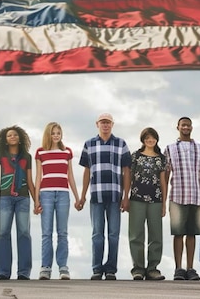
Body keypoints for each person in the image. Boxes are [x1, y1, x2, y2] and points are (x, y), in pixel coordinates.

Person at [79, 113, 131, 281]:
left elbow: (127, 171)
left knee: (114, 234)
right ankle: (96, 269)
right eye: (103, 122)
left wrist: (126, 197)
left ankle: (111, 270)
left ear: (112, 124)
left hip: (116, 195)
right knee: (97, 234)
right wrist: (82, 196)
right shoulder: (89, 144)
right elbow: (86, 171)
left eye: (108, 122)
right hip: (96, 195)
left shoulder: (121, 143)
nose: (105, 125)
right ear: (97, 124)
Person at [165, 116, 200, 281]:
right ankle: (178, 269)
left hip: (196, 196)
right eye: (183, 125)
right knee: (178, 234)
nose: (186, 127)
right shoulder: (169, 148)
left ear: (191, 128)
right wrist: (164, 199)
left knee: (192, 234)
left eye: (188, 125)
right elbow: (166, 172)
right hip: (177, 195)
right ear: (178, 127)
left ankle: (190, 269)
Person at [35, 122, 81, 280]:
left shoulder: (66, 151)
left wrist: (77, 197)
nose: (56, 135)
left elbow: (70, 176)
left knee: (62, 232)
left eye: (58, 132)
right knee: (46, 233)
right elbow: (38, 176)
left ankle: (63, 267)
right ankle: (45, 268)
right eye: (53, 133)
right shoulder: (40, 152)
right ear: (48, 134)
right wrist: (36, 200)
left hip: (63, 194)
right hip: (46, 194)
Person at [0, 125, 35, 280]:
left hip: (23, 198)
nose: (12, 137)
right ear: (5, 139)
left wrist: (36, 200)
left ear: (20, 139)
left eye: (15, 135)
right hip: (4, 198)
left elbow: (29, 180)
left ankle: (24, 272)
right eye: (9, 135)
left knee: (24, 233)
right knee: (4, 233)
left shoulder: (27, 157)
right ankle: (3, 272)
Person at [128, 127, 166, 281]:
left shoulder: (161, 158)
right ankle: (138, 269)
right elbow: (129, 177)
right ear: (143, 139)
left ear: (156, 139)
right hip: (137, 198)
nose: (150, 140)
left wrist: (164, 203)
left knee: (156, 235)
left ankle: (152, 269)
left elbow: (163, 181)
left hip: (155, 200)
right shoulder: (135, 156)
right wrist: (125, 197)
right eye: (147, 137)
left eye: (153, 137)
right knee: (136, 235)